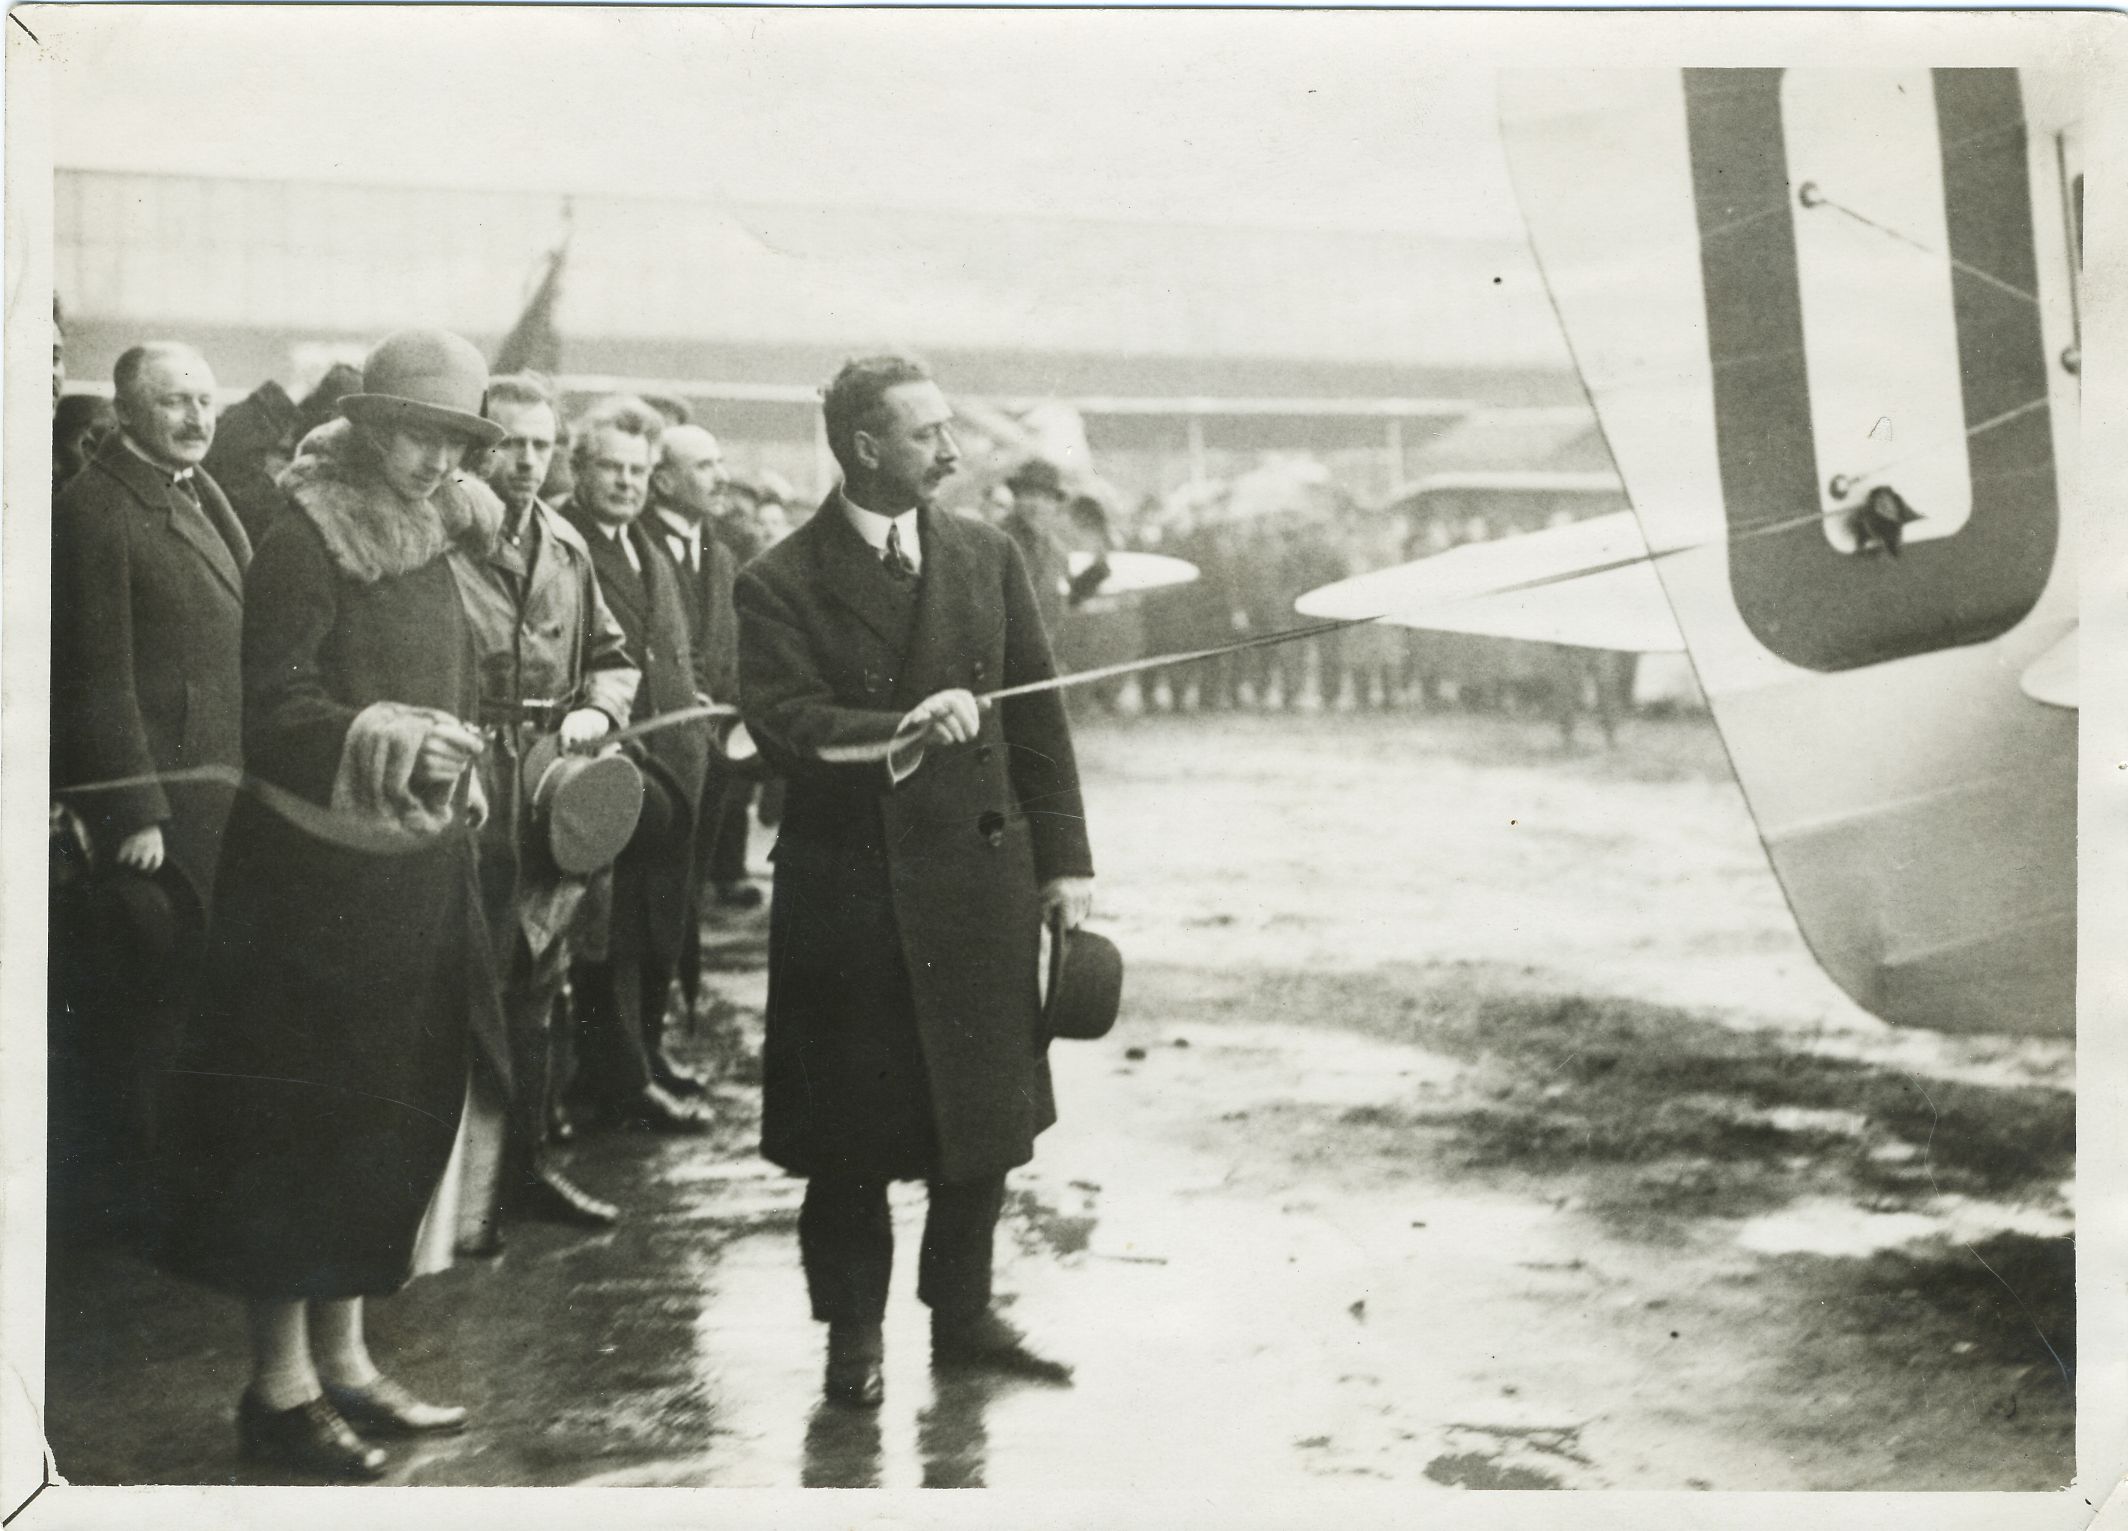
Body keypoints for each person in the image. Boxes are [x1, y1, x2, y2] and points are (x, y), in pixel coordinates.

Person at [156, 329, 506, 1479]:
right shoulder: (302, 535)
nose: (429, 458)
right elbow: (275, 706)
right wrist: (388, 733)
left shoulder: (438, 533)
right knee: (294, 1126)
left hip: (403, 871)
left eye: (450, 440)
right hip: (309, 885)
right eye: (412, 431)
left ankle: (348, 1361)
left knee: (378, 1116)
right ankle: (279, 1390)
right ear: (363, 424)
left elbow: (447, 679)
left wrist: (460, 754)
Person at [734, 355, 1095, 1409]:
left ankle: (966, 1315)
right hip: (850, 898)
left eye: (949, 429)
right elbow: (784, 722)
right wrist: (896, 727)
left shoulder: (986, 557)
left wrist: (1066, 864)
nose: (952, 449)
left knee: (980, 1120)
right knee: (850, 1134)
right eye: (927, 432)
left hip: (982, 885)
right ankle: (853, 1340)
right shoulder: (779, 579)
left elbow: (1038, 722)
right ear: (863, 448)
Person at [51, 342, 251, 1242]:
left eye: (206, 400)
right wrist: (131, 809)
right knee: (148, 1006)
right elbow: (96, 672)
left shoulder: (195, 488)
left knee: (190, 995)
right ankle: (132, 1203)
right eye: (174, 402)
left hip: (213, 789)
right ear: (128, 410)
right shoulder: (96, 508)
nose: (196, 418)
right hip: (162, 807)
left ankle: (173, 1185)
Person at [445, 372, 641, 1253]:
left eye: (540, 443)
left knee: (539, 982)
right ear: (478, 445)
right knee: (462, 990)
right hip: (463, 785)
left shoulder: (565, 544)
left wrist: (601, 706)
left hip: (550, 787)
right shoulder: (442, 539)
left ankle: (523, 1173)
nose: (525, 460)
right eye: (508, 441)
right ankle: (454, 1201)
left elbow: (610, 653)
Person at [560, 397, 714, 1133]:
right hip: (618, 759)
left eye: (638, 470)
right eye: (611, 468)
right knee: (609, 929)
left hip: (675, 764)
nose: (625, 482)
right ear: (580, 468)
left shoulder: (645, 548)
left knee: (660, 918)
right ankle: (617, 1076)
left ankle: (646, 1053)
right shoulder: (571, 541)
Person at [644, 423, 755, 1009]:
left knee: (686, 889)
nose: (723, 476)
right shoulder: (640, 545)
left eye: (720, 462)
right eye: (705, 465)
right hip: (659, 756)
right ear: (661, 480)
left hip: (712, 754)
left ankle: (670, 1020)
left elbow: (727, 647)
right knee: (651, 897)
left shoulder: (722, 551)